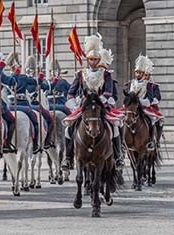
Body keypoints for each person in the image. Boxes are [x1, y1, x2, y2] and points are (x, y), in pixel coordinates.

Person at [62, 34, 124, 171]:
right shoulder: (80, 74)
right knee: (69, 128)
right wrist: (74, 102)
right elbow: (71, 93)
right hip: (84, 107)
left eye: (96, 59)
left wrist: (102, 99)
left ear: (99, 60)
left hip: (101, 107)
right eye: (91, 59)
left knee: (114, 126)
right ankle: (68, 157)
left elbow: (108, 91)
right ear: (87, 60)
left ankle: (118, 155)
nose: (93, 62)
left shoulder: (105, 74)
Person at [3, 52, 42, 154]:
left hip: (10, 106)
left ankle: (5, 142)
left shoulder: (6, 78)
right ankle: (35, 144)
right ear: (17, 66)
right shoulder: (23, 77)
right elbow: (35, 82)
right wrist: (40, 75)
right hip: (23, 105)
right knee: (35, 121)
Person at [125, 54, 164, 151]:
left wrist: (141, 101)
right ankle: (122, 142)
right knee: (121, 120)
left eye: (140, 73)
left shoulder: (149, 84)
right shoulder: (130, 83)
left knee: (153, 120)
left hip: (145, 107)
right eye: (137, 72)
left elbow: (151, 99)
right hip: (132, 107)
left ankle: (152, 140)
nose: (138, 74)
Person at [24, 56, 54, 149]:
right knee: (50, 121)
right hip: (35, 106)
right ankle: (47, 141)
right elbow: (48, 87)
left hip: (24, 105)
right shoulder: (36, 81)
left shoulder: (21, 79)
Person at [144, 58, 164, 144]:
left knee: (159, 121)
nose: (145, 77)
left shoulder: (154, 86)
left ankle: (157, 140)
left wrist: (150, 101)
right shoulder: (137, 84)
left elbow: (158, 98)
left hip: (152, 107)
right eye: (144, 75)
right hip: (141, 105)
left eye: (147, 75)